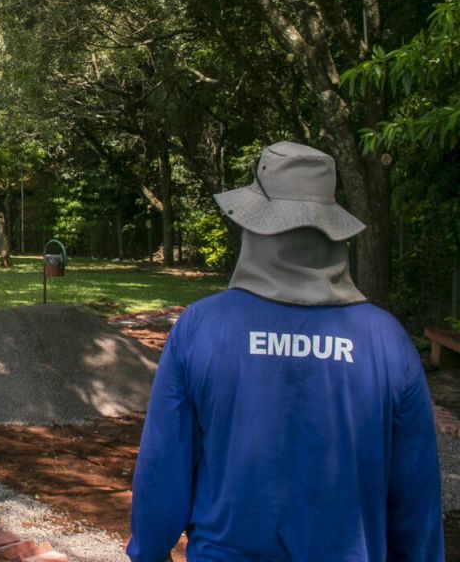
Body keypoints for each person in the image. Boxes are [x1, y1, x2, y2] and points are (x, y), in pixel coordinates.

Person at [128, 141, 444, 561]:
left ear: (255, 225)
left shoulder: (202, 328)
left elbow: (162, 468)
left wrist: (148, 551)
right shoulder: (387, 342)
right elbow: (417, 499)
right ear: (330, 232)